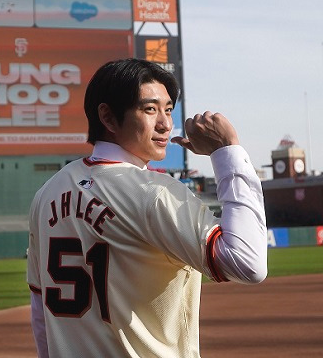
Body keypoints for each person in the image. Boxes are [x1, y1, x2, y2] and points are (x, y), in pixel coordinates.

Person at [26, 58, 267, 357]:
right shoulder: (155, 193)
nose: (166, 123)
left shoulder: (47, 192)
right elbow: (248, 263)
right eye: (150, 109)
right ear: (108, 117)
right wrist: (227, 151)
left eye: (168, 110)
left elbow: (40, 310)